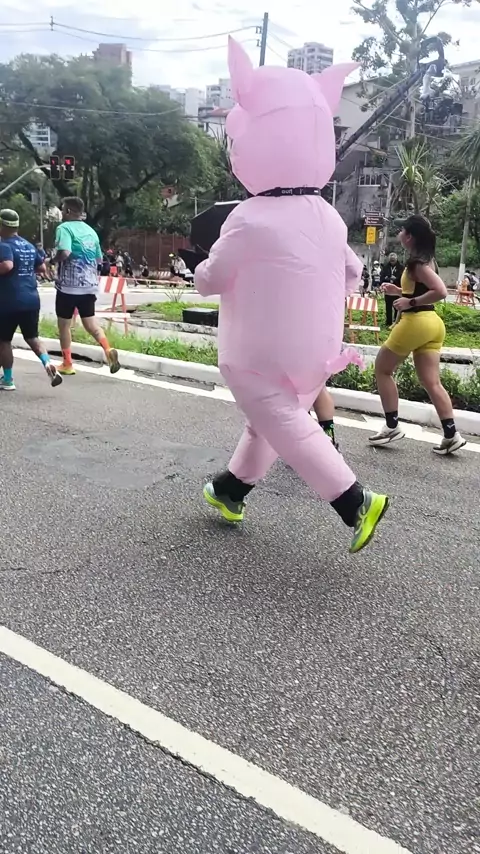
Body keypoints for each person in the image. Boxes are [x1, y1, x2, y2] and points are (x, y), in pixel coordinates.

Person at [195, 38, 389, 554]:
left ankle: (354, 501)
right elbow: (353, 273)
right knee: (267, 422)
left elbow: (213, 278)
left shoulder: (250, 217)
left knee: (279, 419)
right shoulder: (329, 217)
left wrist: (197, 269)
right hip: (317, 354)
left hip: (256, 353)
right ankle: (229, 490)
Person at [369, 214, 466, 455]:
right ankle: (451, 435)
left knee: (382, 370)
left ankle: (392, 426)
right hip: (433, 324)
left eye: (402, 230)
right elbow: (420, 289)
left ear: (409, 236)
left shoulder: (417, 263)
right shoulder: (427, 260)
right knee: (431, 382)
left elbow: (440, 291)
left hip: (416, 322)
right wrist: (398, 291)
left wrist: (409, 302)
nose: (399, 234)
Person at [53, 196, 120, 376]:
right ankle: (108, 350)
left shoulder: (64, 228)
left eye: (62, 209)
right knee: (91, 324)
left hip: (68, 287)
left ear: (68, 211)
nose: (61, 212)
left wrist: (53, 260)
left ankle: (67, 363)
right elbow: (98, 259)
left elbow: (65, 252)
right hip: (89, 286)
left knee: (64, 326)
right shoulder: (91, 231)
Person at [0, 208, 62, 390]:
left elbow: (7, 265)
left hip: (9, 301)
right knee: (32, 337)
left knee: (4, 341)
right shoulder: (28, 245)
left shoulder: (4, 245)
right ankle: (47, 363)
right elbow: (42, 268)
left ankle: (8, 380)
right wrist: (24, 270)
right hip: (32, 300)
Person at [380, 251, 404, 327]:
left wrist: (395, 279)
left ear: (396, 259)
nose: (392, 261)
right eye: (391, 260)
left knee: (397, 306)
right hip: (388, 290)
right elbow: (382, 277)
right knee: (388, 306)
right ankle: (388, 322)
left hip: (397, 289)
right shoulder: (385, 267)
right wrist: (387, 279)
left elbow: (403, 278)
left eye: (393, 259)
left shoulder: (401, 267)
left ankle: (396, 321)